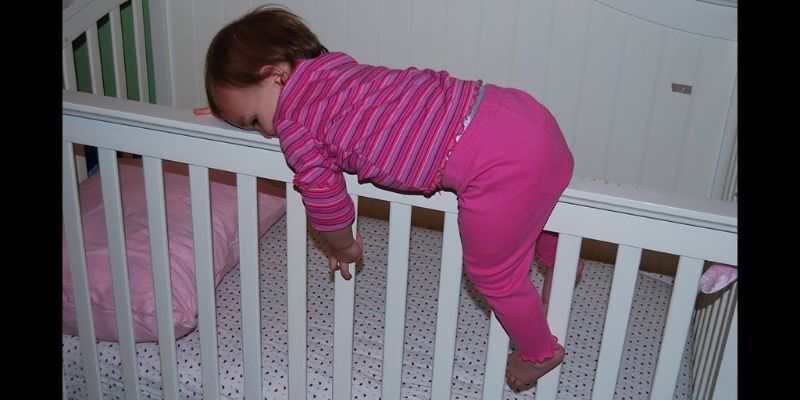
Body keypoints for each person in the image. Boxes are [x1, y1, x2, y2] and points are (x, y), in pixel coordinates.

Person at [194, 5, 582, 391]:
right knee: (525, 204)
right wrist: (229, 112)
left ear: (275, 74)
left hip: (494, 164)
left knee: (494, 273)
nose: (266, 134)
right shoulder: (335, 69)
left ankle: (539, 351)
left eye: (255, 122)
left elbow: (323, 193)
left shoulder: (295, 122)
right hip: (517, 113)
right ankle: (558, 257)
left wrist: (343, 245)